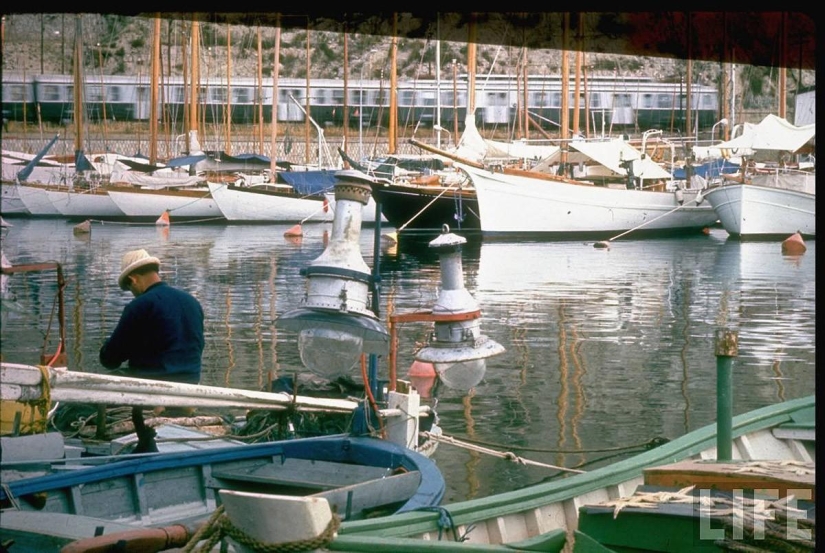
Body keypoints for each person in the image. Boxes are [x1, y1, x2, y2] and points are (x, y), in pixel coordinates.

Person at [100, 248, 205, 453]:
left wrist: (107, 347)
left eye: (129, 287)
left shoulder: (140, 305)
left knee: (104, 380)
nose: (131, 292)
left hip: (152, 385)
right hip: (191, 381)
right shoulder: (192, 301)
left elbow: (111, 359)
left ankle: (155, 411)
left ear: (134, 279)